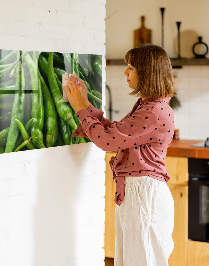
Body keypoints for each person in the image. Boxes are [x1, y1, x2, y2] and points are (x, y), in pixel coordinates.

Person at [64, 44, 176, 266]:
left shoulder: (153, 111)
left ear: (147, 72)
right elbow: (115, 133)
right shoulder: (149, 106)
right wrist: (85, 103)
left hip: (144, 196)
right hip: (139, 193)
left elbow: (107, 141)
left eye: (131, 67)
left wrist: (79, 108)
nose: (125, 72)